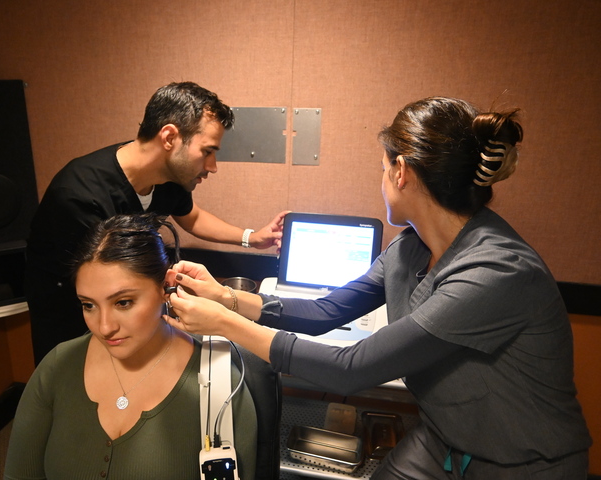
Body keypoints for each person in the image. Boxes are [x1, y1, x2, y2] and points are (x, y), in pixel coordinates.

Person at [165, 97, 592, 479]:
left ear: (401, 171)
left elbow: (351, 368)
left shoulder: (495, 272)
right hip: (444, 440)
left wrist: (224, 323)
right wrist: (229, 298)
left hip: (527, 462)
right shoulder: (409, 246)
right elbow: (328, 311)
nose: (382, 177)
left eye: (383, 167)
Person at [25, 81, 289, 364]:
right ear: (169, 137)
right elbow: (107, 281)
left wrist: (252, 238)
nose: (212, 166)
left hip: (130, 309)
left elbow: (193, 218)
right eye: (207, 151)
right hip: (73, 317)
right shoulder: (79, 196)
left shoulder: (168, 177)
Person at [5, 214, 257, 479]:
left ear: (166, 286)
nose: (104, 327)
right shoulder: (58, 367)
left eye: (123, 302)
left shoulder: (220, 386)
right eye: (88, 305)